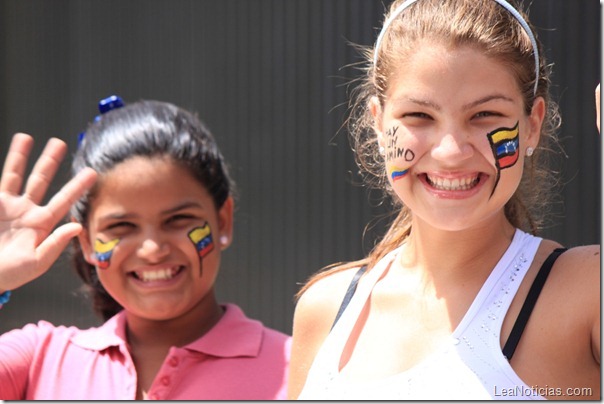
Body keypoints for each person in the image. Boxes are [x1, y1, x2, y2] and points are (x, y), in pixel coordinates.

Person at [289, 0, 600, 400]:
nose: (451, 151)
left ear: (532, 126)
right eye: (419, 116)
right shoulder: (325, 310)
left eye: (485, 114)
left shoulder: (586, 292)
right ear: (379, 125)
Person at [0, 96, 291, 400]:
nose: (153, 249)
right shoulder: (39, 359)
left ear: (223, 222)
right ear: (85, 241)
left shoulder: (300, 368)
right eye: (121, 226)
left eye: (178, 220)